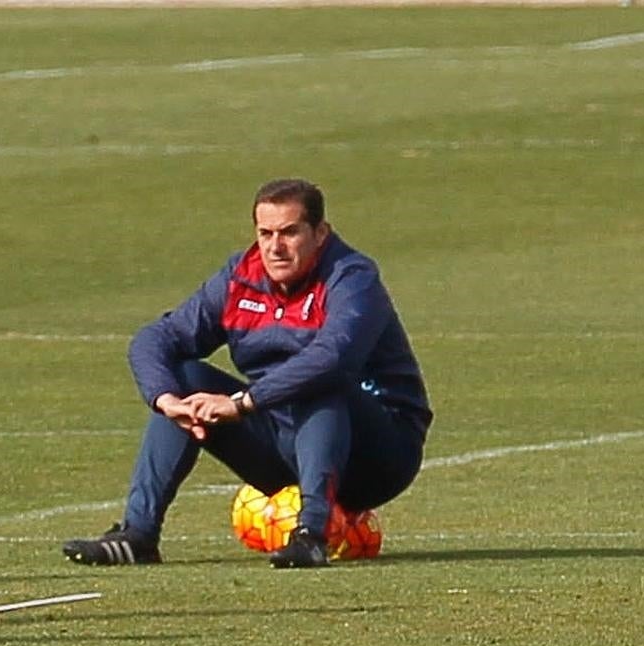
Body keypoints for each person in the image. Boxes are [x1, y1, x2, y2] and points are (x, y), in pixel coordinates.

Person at [63, 178, 432, 569]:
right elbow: (155, 339)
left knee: (316, 380)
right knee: (186, 379)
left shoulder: (352, 277)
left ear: (320, 233)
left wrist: (241, 403)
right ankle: (138, 534)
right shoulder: (240, 278)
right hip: (284, 439)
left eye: (289, 232)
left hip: (379, 454)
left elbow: (333, 358)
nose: (275, 247)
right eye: (265, 234)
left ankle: (311, 535)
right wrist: (166, 400)